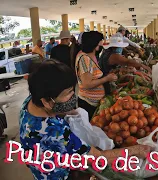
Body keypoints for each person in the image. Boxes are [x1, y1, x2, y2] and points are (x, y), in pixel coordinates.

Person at [20, 60, 151, 180]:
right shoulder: (55, 132)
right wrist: (135, 151)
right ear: (47, 102)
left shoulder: (30, 103)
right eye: (68, 93)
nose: (73, 96)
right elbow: (98, 158)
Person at [75, 31, 118, 120]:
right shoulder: (84, 58)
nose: (102, 43)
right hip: (88, 104)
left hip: (94, 103)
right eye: (100, 41)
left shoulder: (89, 56)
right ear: (94, 43)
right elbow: (87, 84)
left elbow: (94, 75)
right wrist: (106, 78)